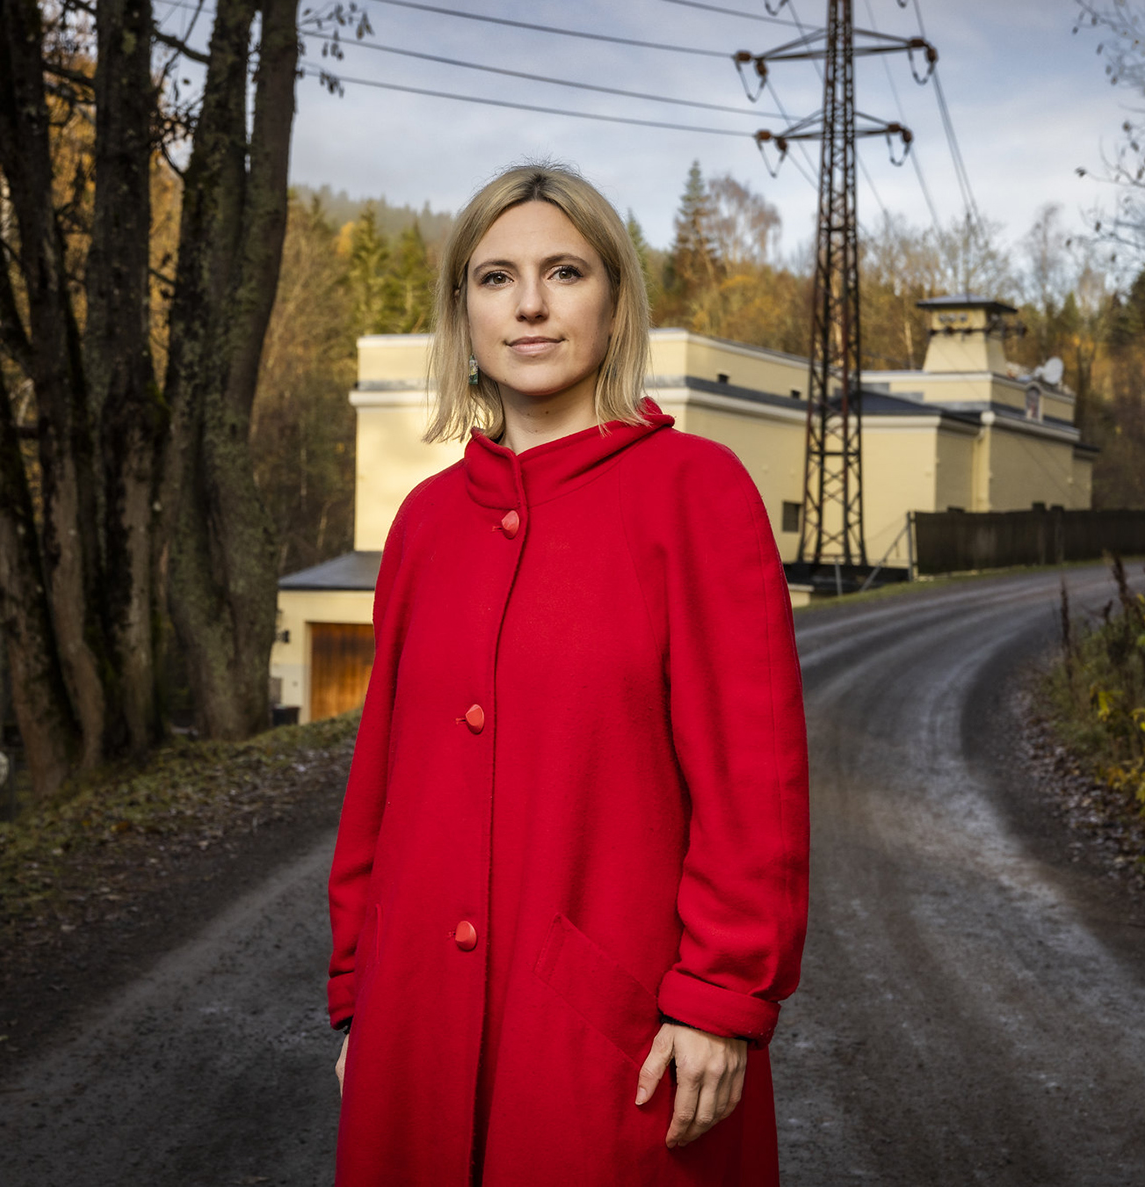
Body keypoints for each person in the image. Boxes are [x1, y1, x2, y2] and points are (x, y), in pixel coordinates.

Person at [325, 162, 811, 1186]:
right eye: (496, 278)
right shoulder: (422, 525)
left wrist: (719, 1000)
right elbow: (380, 788)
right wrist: (362, 996)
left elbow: (752, 789)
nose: (531, 304)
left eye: (564, 271)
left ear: (615, 299)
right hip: (417, 1026)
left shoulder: (697, 495)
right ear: (463, 313)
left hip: (614, 1039)